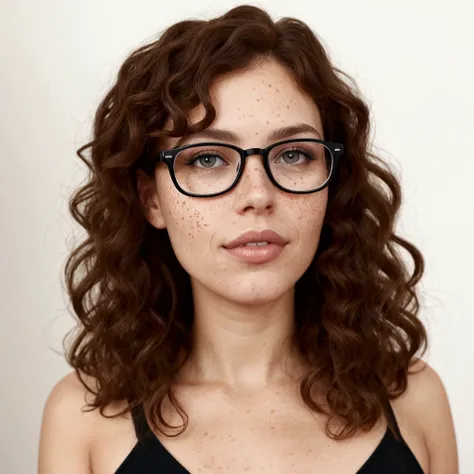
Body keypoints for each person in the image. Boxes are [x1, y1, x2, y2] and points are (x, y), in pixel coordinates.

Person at [38, 5, 458, 474]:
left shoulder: (416, 400)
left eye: (295, 154)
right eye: (207, 159)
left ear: (332, 181)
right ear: (150, 199)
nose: (258, 194)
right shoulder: (84, 418)